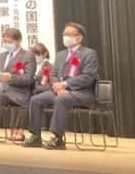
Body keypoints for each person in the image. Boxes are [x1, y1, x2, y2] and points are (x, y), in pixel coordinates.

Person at [24, 22, 99, 150]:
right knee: (35, 100)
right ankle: (35, 136)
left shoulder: (89, 54)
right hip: (59, 90)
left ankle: (57, 138)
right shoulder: (60, 55)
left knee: (61, 99)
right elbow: (53, 74)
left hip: (81, 93)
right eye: (64, 34)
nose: (65, 37)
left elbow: (87, 77)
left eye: (69, 34)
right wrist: (57, 86)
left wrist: (65, 84)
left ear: (79, 37)